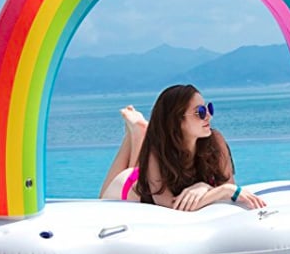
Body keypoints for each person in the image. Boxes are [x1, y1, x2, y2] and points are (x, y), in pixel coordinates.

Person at [99, 84, 266, 211]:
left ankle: (139, 131)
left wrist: (204, 187)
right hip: (130, 185)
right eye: (199, 112)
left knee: (143, 162)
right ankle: (135, 134)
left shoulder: (216, 141)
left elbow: (226, 186)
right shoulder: (157, 152)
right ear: (177, 121)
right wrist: (224, 190)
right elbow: (171, 207)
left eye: (208, 108)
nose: (208, 115)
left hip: (149, 177)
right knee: (101, 200)